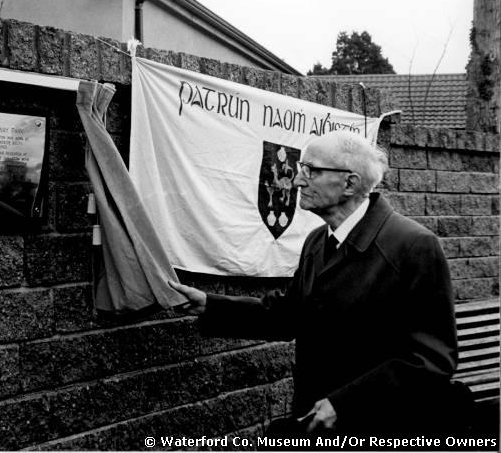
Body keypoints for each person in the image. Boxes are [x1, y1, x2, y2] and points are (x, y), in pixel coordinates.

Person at [171, 130, 458, 435]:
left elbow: (431, 360)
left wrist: (345, 404)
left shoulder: (414, 246)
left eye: (312, 170)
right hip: (313, 418)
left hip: (379, 427)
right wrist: (210, 305)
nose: (297, 180)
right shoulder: (317, 242)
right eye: (300, 169)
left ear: (350, 183)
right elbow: (289, 316)